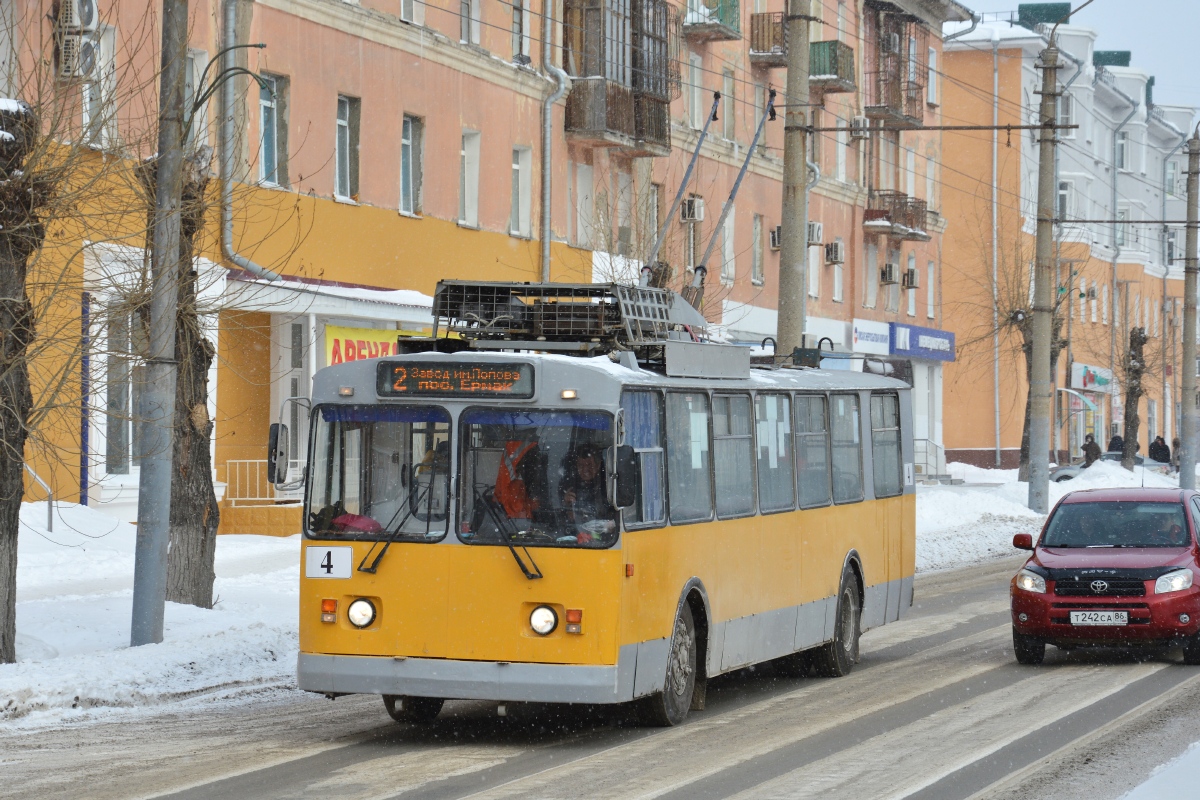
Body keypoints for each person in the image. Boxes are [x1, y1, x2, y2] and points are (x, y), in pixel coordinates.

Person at [561, 443, 610, 523]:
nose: (585, 470)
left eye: (590, 465)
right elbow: (561, 518)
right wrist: (566, 504)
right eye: (581, 465)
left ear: (598, 465)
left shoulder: (607, 486)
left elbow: (605, 514)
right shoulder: (570, 485)